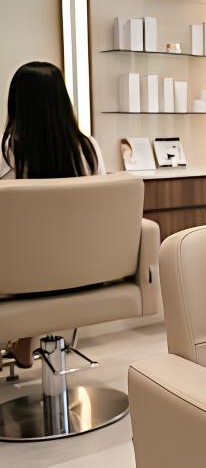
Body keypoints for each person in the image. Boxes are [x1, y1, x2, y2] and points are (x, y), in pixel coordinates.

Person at [1, 61, 106, 369]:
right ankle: (24, 338)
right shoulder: (88, 150)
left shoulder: (6, 152)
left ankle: (21, 335)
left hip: (23, 276)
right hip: (86, 270)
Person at [1, 61, 105, 180]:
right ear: (63, 100)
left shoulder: (3, 149)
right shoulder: (88, 148)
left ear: (15, 102)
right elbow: (102, 194)